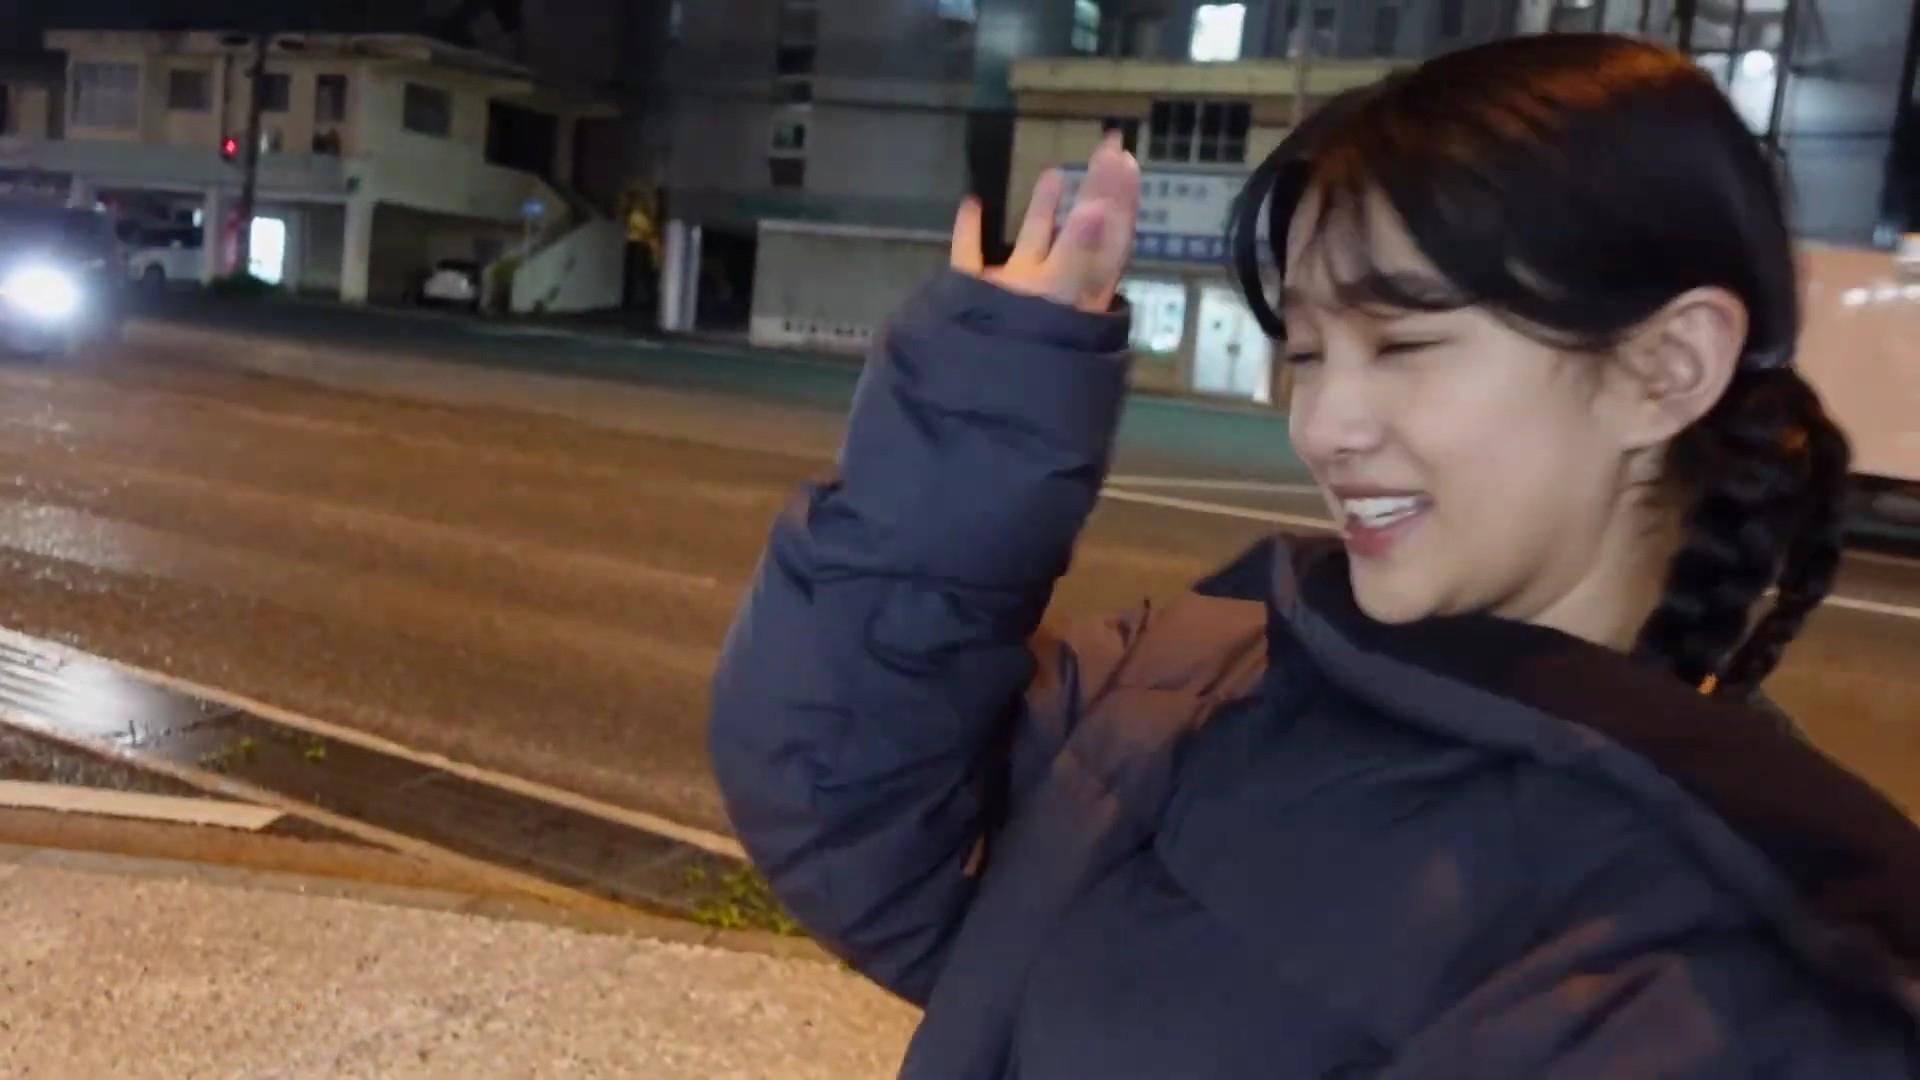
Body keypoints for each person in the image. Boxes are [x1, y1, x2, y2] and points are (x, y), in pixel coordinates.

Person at [710, 33, 1920, 1078]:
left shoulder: (1735, 960)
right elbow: (850, 817)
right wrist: (984, 408)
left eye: (1403, 346)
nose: (1324, 425)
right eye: (1306, 354)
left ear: (1665, 368)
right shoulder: (1200, 672)